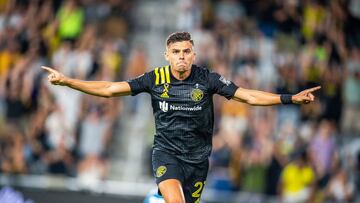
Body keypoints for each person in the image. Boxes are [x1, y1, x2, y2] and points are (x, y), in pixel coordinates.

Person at [42, 32, 321, 203]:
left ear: (193, 54)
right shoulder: (155, 78)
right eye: (176, 52)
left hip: (198, 161)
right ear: (167, 55)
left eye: (186, 52)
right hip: (166, 155)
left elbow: (247, 96)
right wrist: (69, 82)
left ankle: (155, 200)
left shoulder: (207, 79)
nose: (181, 57)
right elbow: (109, 88)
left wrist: (290, 98)